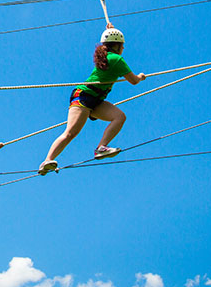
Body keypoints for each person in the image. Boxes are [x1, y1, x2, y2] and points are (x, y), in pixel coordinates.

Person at [38, 24, 145, 175]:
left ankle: (101, 148)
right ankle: (47, 160)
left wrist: (109, 30)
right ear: (117, 45)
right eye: (122, 45)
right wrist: (141, 77)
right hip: (84, 97)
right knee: (70, 133)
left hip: (96, 100)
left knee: (119, 117)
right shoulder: (116, 59)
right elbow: (133, 80)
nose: (123, 48)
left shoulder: (108, 56)